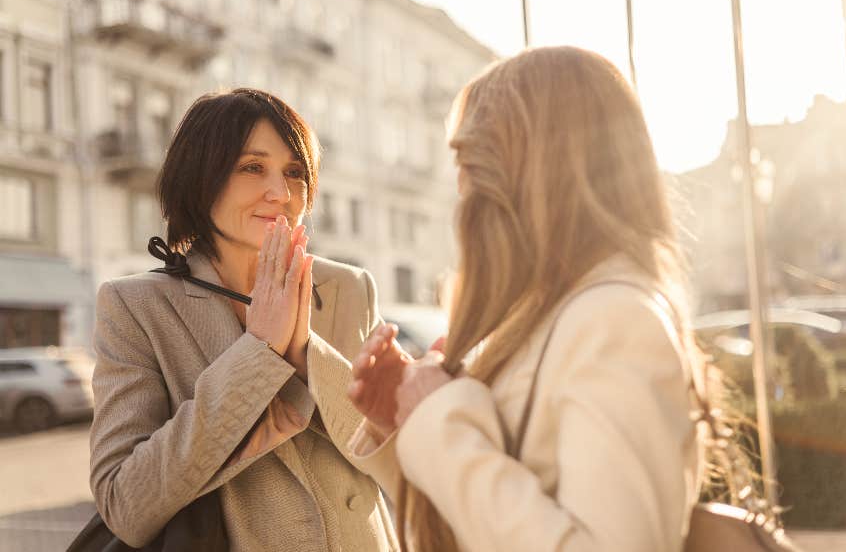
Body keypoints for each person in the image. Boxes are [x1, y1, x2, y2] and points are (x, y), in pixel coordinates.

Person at [346, 46, 706, 552]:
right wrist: (405, 420)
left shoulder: (615, 319)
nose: (461, 186)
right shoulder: (546, 316)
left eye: (469, 158)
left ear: (529, 171)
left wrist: (438, 420)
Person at [89, 88, 398, 552]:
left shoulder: (349, 288)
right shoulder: (135, 306)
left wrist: (307, 356)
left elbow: (400, 458)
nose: (282, 193)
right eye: (252, 167)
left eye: (295, 172)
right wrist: (258, 355)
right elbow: (125, 505)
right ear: (200, 179)